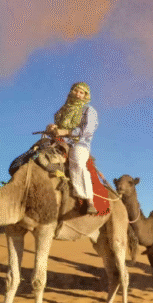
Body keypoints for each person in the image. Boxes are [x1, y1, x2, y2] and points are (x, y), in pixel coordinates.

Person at [46, 82, 98, 215]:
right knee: (37, 154)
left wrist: (66, 132)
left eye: (81, 93)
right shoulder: (61, 112)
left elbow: (87, 130)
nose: (78, 94)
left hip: (79, 143)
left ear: (85, 96)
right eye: (76, 91)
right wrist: (52, 129)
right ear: (71, 92)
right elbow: (58, 128)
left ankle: (88, 200)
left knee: (78, 162)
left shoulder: (89, 110)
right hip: (60, 142)